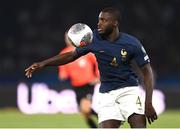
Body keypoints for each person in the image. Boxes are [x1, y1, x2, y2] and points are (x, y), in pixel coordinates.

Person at [25, 7, 158, 128]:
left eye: (104, 20)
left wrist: (148, 102)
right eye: (99, 19)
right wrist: (43, 63)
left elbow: (147, 72)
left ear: (115, 23)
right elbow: (71, 55)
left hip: (129, 91)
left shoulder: (132, 43)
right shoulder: (93, 39)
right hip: (107, 94)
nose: (99, 23)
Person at [58, 32, 99, 128]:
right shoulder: (63, 53)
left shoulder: (84, 51)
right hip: (76, 86)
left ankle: (100, 120)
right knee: (84, 112)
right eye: (66, 38)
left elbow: (97, 62)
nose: (67, 39)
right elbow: (63, 72)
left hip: (88, 84)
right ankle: (97, 122)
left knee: (85, 108)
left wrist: (97, 76)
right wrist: (63, 75)